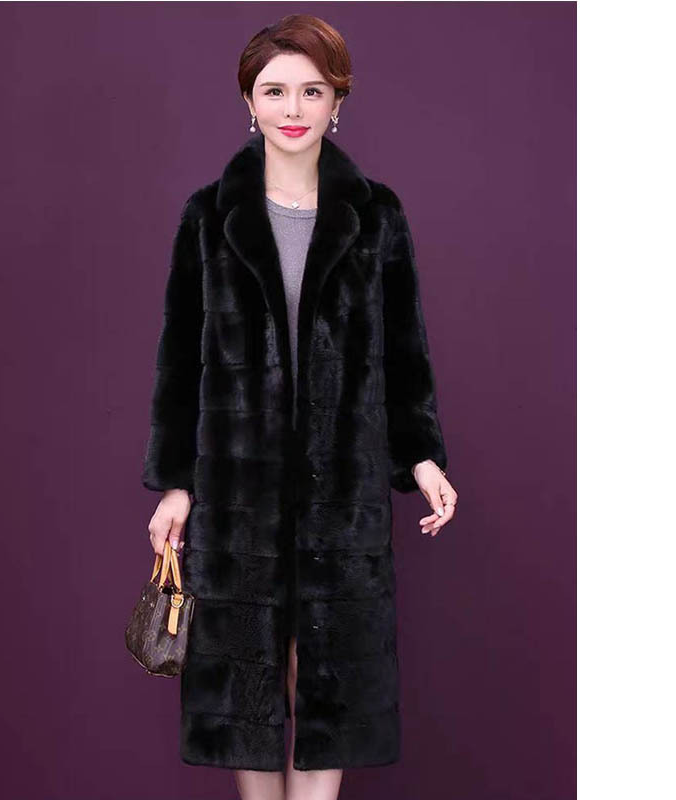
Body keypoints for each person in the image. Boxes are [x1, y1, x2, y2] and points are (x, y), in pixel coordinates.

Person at [143, 14, 458, 800]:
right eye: (274, 90)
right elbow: (179, 361)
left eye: (312, 91)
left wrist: (421, 458)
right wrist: (176, 484)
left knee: (328, 678)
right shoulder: (207, 216)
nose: (293, 108)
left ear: (337, 103)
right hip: (237, 491)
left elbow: (404, 348)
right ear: (248, 103)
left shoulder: (377, 215)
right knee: (247, 678)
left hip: (341, 488)